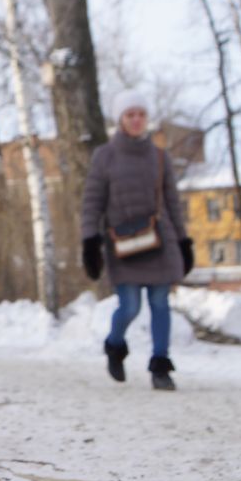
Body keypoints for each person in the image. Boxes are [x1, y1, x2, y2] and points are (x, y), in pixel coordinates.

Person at [80, 90, 194, 390]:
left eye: (141, 114)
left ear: (147, 118)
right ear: (120, 119)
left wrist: (184, 242)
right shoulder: (104, 156)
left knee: (160, 303)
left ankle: (160, 365)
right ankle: (114, 345)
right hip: (122, 243)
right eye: (130, 114)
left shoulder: (159, 156)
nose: (136, 120)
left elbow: (172, 200)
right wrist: (89, 240)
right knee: (129, 306)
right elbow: (92, 201)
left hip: (160, 240)